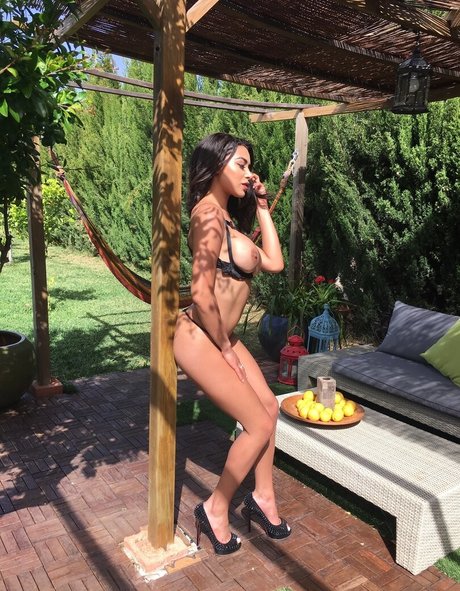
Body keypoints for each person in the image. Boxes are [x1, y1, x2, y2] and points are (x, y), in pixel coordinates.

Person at [174, 132, 291, 555]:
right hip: (199, 337)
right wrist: (224, 348)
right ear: (215, 165)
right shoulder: (207, 216)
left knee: (269, 409)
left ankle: (263, 497)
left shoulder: (225, 218)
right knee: (257, 424)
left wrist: (262, 206)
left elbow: (274, 262)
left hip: (221, 336)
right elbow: (200, 292)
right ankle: (215, 508)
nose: (248, 173)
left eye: (249, 165)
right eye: (240, 164)